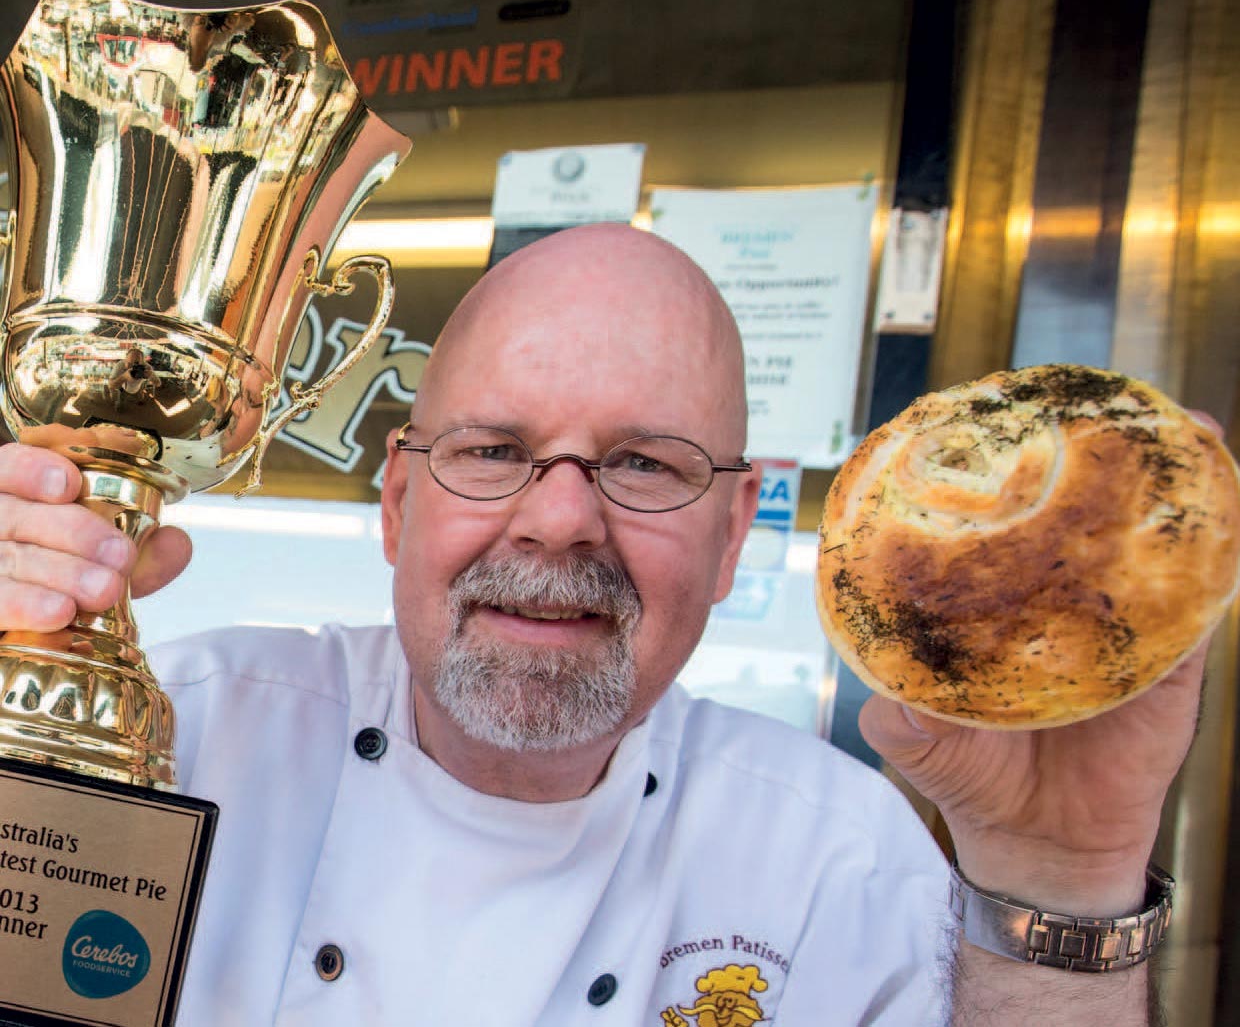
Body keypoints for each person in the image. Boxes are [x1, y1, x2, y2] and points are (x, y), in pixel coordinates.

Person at [0, 224, 1206, 1025]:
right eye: (493, 451)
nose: (560, 519)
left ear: (737, 534)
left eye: (641, 461)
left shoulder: (839, 856)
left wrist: (1065, 877)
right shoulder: (168, 741)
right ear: (399, 501)